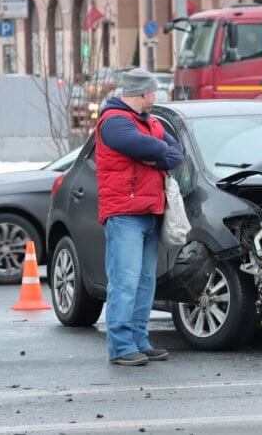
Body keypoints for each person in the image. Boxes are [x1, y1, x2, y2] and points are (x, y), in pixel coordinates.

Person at [95, 68, 184, 366]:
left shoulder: (152, 122)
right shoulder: (114, 122)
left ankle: (139, 342)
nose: (155, 97)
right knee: (125, 282)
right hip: (125, 214)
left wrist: (155, 155)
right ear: (144, 93)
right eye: (153, 92)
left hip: (151, 212)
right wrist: (158, 152)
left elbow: (176, 153)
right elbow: (151, 147)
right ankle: (121, 347)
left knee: (145, 282)